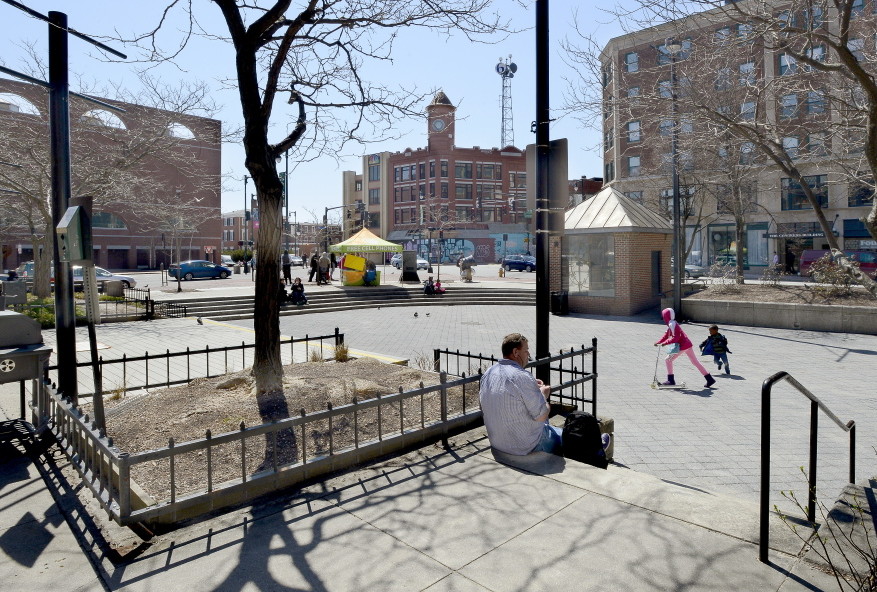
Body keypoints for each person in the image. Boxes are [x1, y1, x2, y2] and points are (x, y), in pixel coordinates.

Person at [479, 333, 560, 455]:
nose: (528, 355)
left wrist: (531, 385)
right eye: (526, 351)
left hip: (497, 443)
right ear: (516, 352)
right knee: (570, 438)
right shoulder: (521, 376)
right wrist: (543, 395)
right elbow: (541, 415)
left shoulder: (489, 372)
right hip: (526, 446)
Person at [654, 308, 716, 388]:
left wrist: (664, 343)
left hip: (683, 346)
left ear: (666, 316)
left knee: (668, 360)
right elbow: (666, 336)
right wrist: (659, 342)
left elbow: (675, 338)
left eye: (664, 316)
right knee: (695, 362)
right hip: (687, 345)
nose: (663, 318)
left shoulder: (672, 324)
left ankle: (671, 380)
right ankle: (709, 379)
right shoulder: (672, 323)